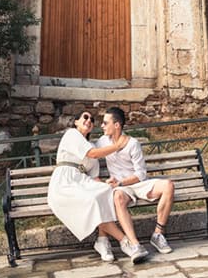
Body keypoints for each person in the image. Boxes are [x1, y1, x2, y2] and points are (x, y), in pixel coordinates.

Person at [47, 110, 148, 263]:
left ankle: (102, 240)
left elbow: (94, 177)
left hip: (82, 181)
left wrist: (108, 184)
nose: (89, 120)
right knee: (93, 200)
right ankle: (124, 241)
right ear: (76, 122)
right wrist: (118, 146)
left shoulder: (90, 144)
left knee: (106, 191)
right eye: (85, 117)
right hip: (65, 181)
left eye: (92, 119)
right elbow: (93, 154)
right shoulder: (72, 134)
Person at [96, 106, 175, 254]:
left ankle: (158, 234)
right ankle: (135, 244)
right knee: (118, 197)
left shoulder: (132, 143)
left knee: (168, 186)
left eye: (105, 123)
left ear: (117, 125)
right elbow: (90, 153)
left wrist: (121, 182)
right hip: (121, 189)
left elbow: (141, 174)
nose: (102, 126)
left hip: (137, 184)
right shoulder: (102, 142)